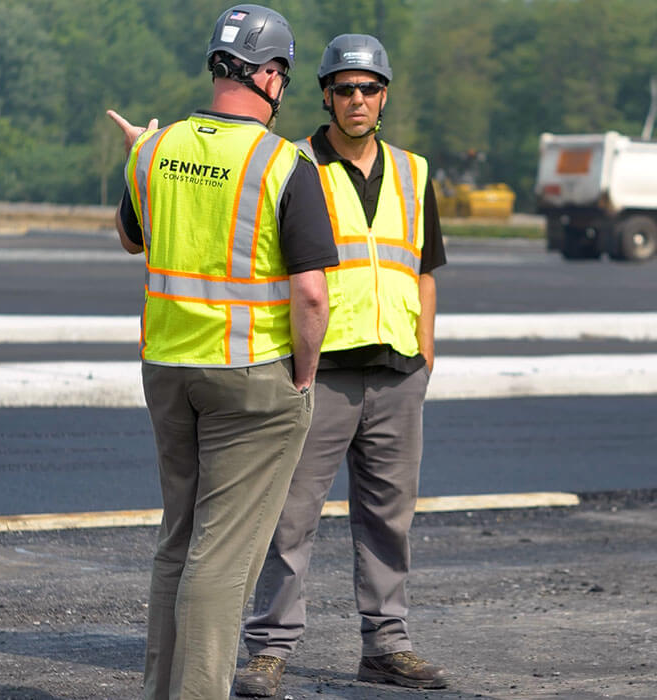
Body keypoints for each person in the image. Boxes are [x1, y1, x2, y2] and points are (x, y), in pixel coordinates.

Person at [107, 5, 338, 698]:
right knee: (224, 552)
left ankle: (161, 688)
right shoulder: (284, 163)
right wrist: (304, 371)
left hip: (169, 371)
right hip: (251, 380)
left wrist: (138, 156)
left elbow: (131, 239)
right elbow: (313, 296)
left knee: (178, 537)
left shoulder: (153, 149)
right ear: (268, 75)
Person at [234, 33, 448, 696]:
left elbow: (426, 269)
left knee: (391, 516)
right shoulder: (289, 164)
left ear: (384, 97)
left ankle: (387, 645)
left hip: (397, 371)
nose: (358, 99)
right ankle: (268, 650)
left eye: (370, 88)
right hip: (317, 372)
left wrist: (427, 348)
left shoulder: (414, 172)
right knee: (289, 516)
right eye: (346, 88)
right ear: (325, 94)